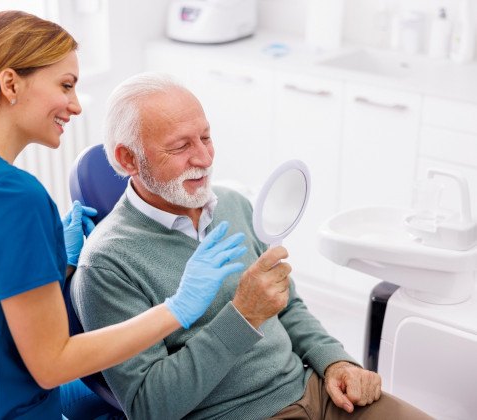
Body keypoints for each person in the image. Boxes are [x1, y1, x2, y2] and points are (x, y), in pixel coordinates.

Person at [0, 12, 249, 419]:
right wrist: (178, 307)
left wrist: (57, 266)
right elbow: (52, 365)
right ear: (10, 83)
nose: (77, 106)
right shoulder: (12, 196)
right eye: (65, 86)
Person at [71, 72, 432, 420]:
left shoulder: (232, 204)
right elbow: (150, 407)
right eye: (181, 146)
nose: (204, 158)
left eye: (206, 138)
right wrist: (243, 317)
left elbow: (288, 307)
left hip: (316, 390)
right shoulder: (107, 265)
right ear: (128, 159)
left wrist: (334, 360)